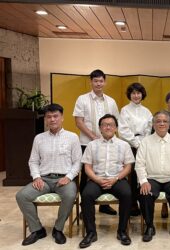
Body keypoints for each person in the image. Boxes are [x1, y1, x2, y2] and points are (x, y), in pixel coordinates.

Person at [16, 104, 82, 246]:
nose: (52, 119)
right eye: (49, 117)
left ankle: (58, 229)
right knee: (22, 196)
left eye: (55, 116)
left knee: (70, 195)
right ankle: (37, 229)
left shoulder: (72, 137)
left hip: (64, 179)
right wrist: (37, 177)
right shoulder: (39, 138)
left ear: (62, 118)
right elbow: (33, 161)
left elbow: (78, 162)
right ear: (45, 119)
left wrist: (69, 177)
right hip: (44, 179)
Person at [79, 114, 134, 248]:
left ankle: (122, 231)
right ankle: (91, 232)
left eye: (111, 124)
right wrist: (97, 179)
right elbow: (87, 167)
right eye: (104, 124)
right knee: (86, 195)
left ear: (116, 128)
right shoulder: (92, 145)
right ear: (100, 128)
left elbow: (128, 167)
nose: (108, 127)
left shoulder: (124, 145)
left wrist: (116, 178)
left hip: (117, 178)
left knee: (127, 194)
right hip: (96, 179)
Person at [73, 69, 120, 215]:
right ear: (91, 82)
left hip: (108, 143)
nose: (98, 83)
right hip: (87, 143)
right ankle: (84, 207)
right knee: (86, 175)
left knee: (105, 170)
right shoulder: (82, 99)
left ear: (105, 82)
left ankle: (104, 205)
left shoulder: (111, 101)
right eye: (95, 81)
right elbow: (79, 121)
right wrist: (94, 137)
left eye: (101, 81)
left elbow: (115, 123)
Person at [136, 111, 170, 242]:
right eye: (158, 121)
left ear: (169, 124)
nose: (162, 123)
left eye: (165, 121)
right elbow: (139, 164)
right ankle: (149, 226)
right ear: (153, 125)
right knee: (145, 192)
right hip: (152, 178)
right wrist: (143, 181)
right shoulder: (145, 142)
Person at [118, 82, 152, 216]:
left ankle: (143, 201)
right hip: (129, 146)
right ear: (129, 95)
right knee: (131, 175)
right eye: (133, 93)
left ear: (142, 94)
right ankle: (132, 204)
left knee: (143, 174)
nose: (136, 95)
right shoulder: (125, 110)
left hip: (144, 145)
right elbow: (123, 130)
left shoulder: (147, 111)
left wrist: (143, 143)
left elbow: (149, 128)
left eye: (138, 93)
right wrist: (136, 143)